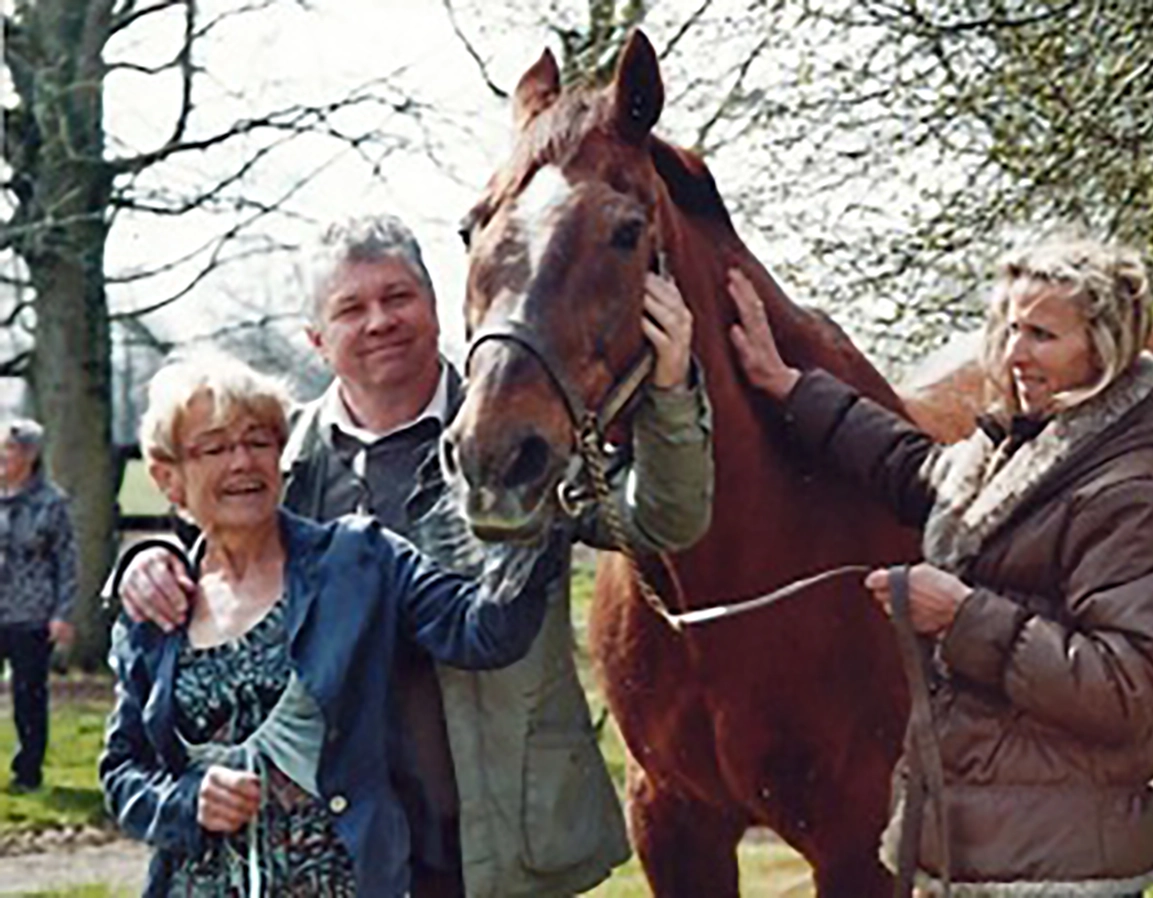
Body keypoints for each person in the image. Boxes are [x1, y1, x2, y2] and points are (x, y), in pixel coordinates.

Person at [119, 214, 714, 897]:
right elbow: (228, 566)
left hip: (501, 827)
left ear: (439, 308)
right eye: (351, 307)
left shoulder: (526, 431)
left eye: (398, 296)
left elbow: (667, 523)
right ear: (317, 339)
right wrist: (154, 559)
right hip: (340, 847)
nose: (380, 321)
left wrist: (669, 391)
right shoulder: (281, 460)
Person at [727, 237, 1153, 897]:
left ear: (1103, 345)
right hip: (984, 852)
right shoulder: (1013, 453)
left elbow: (1122, 689)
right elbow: (908, 464)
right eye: (1007, 328)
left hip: (1063, 869)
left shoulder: (1130, 496)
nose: (1013, 354)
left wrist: (962, 615)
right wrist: (790, 387)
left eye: (1041, 334)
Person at [101, 355, 560, 897]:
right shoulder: (158, 605)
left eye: (259, 441)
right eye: (216, 448)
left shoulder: (359, 559)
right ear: (168, 479)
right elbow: (123, 771)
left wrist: (535, 510)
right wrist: (185, 801)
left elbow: (483, 632)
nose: (243, 462)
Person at [0, 417, 77, 794]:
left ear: (29, 455)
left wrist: (63, 613)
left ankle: (27, 771)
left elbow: (67, 560)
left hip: (32, 614)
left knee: (28, 696)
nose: (1, 456)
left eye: (9, 449)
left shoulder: (51, 503)